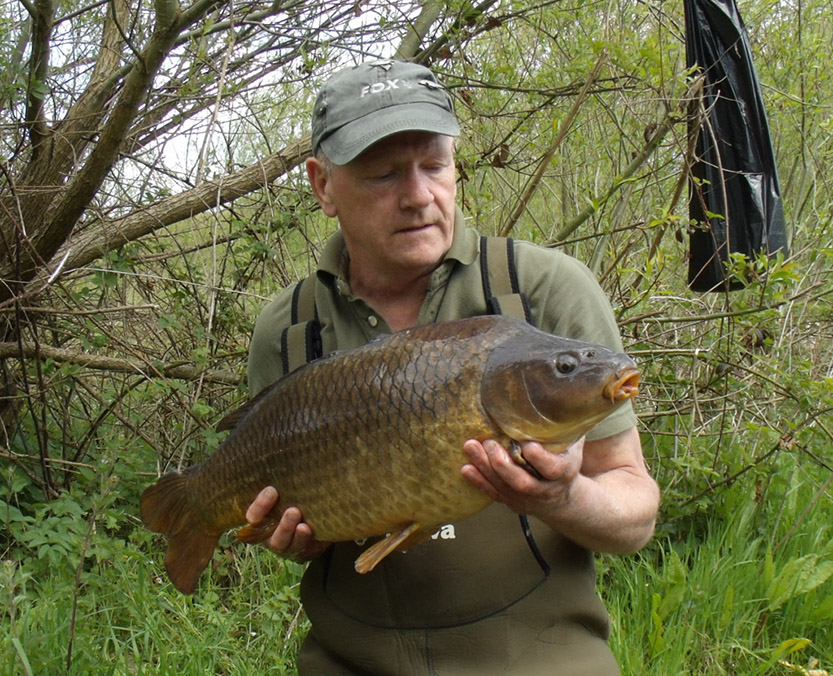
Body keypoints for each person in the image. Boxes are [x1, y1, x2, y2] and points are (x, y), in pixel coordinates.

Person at [245, 59, 660, 675]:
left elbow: (635, 513)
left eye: (435, 166)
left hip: (537, 651)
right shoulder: (287, 326)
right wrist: (296, 537)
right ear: (323, 185)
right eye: (384, 174)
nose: (418, 196)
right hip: (351, 656)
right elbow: (290, 530)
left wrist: (564, 496)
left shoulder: (544, 290)